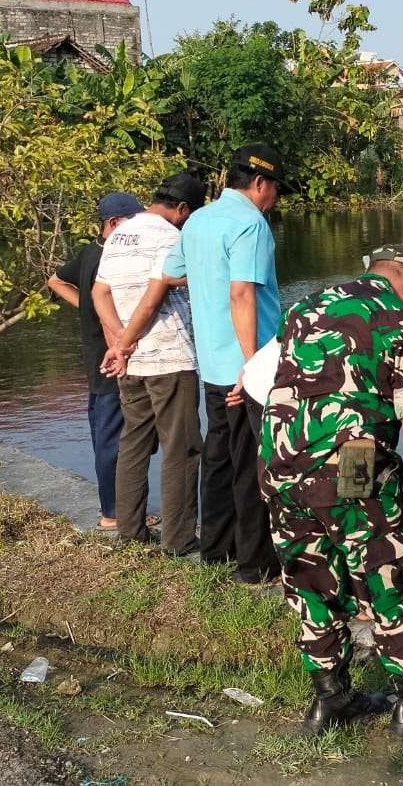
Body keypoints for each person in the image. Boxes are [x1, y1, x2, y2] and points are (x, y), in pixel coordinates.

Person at [260, 245, 403, 739]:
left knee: (310, 579)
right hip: (351, 460)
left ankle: (330, 699)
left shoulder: (305, 306)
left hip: (281, 460)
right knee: (388, 574)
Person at [161, 144, 288, 585]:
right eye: (275, 189)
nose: (275, 198)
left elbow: (171, 271)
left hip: (213, 362)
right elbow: (242, 294)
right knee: (253, 462)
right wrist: (252, 365)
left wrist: (205, 276)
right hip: (246, 365)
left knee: (218, 457)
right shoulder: (250, 223)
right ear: (259, 183)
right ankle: (254, 565)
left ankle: (215, 551)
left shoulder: (198, 219)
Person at [92, 172, 207, 554]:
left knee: (134, 443)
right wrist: (126, 342)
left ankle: (129, 530)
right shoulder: (171, 237)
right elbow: (153, 299)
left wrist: (118, 344)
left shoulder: (119, 234)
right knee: (182, 449)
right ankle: (178, 539)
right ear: (182, 209)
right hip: (170, 358)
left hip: (131, 365)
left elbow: (99, 292)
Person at [47, 192, 144, 531]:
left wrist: (87, 306)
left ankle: (117, 509)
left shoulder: (91, 252)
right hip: (109, 357)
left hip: (96, 356)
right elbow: (106, 314)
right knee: (112, 436)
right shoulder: (110, 258)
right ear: (114, 224)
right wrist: (119, 348)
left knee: (107, 432)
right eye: (134, 222)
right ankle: (114, 513)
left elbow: (55, 281)